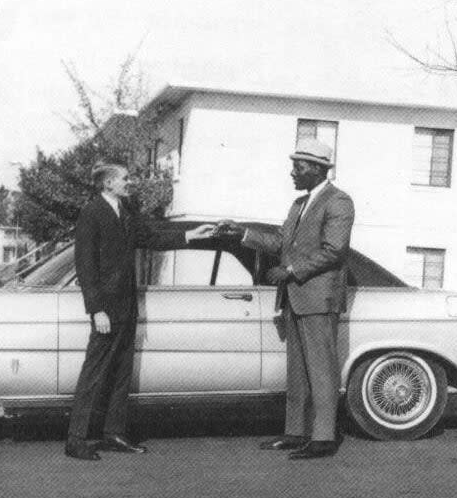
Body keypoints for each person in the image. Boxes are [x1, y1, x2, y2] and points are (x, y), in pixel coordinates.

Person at [66, 163, 214, 461]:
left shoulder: (126, 213)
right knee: (94, 373)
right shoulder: (92, 213)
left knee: (121, 372)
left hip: (127, 306)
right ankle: (76, 439)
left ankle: (114, 434)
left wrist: (190, 236)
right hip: (106, 310)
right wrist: (96, 310)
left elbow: (152, 239)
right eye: (124, 179)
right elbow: (85, 266)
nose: (129, 183)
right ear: (108, 183)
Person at [217, 139, 354, 459]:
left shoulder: (339, 202)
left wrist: (290, 271)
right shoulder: (299, 204)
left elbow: (334, 251)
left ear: (319, 170)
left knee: (321, 369)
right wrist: (243, 233)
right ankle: (296, 432)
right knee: (297, 370)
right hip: (296, 297)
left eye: (299, 166)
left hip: (318, 297)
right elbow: (281, 242)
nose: (292, 172)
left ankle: (323, 437)